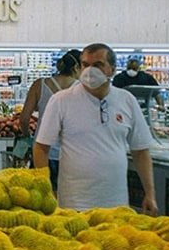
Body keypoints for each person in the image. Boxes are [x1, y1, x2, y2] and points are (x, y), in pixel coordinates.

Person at [33, 43, 157, 215]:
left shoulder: (126, 100)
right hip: (74, 205)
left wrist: (150, 193)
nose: (90, 71)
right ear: (79, 67)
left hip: (116, 204)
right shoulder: (61, 100)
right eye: (85, 65)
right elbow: (41, 148)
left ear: (112, 69)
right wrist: (46, 190)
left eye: (97, 65)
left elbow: (141, 151)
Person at [18, 49, 81, 189]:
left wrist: (28, 137)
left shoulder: (39, 85)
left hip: (41, 151)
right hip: (71, 155)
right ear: (77, 67)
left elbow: (23, 119)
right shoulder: (81, 89)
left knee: (41, 198)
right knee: (68, 202)